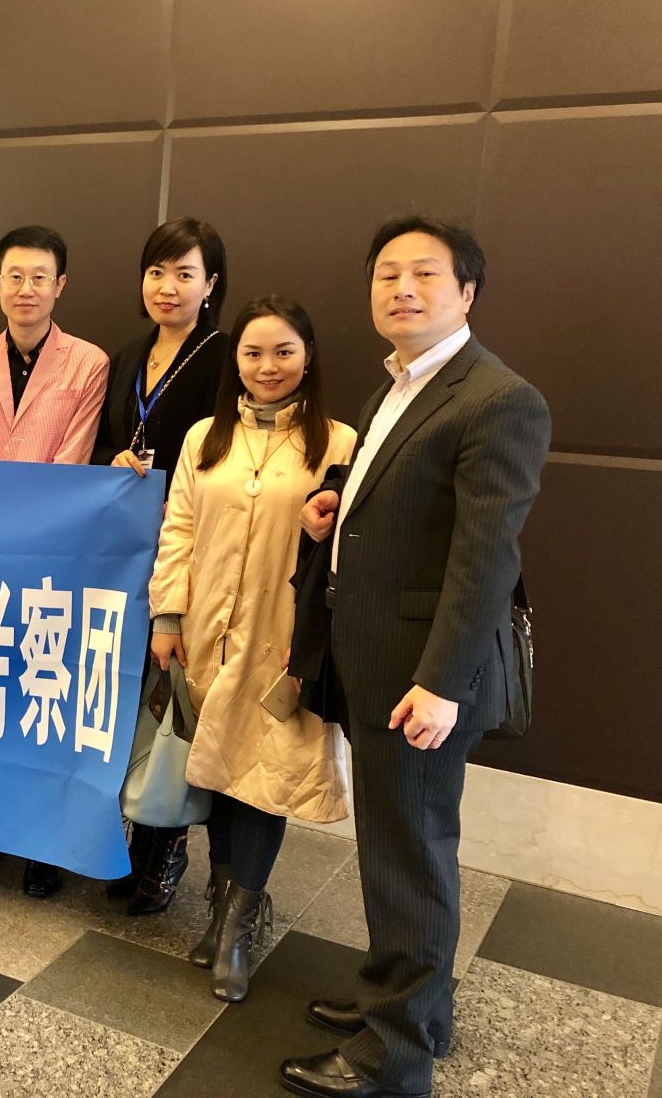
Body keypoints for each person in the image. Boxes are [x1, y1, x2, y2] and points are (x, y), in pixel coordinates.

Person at [281, 217, 550, 1098]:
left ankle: (393, 1060)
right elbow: (395, 503)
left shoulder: (498, 399)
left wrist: (439, 683)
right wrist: (332, 506)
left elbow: (486, 560)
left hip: (421, 676)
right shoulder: (397, 385)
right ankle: (406, 1005)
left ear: (467, 292)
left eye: (425, 273)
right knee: (396, 847)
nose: (401, 287)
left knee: (412, 857)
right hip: (376, 657)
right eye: (387, 273)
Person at [148, 297, 357, 1003]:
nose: (268, 367)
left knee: (265, 774)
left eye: (284, 352)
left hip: (285, 640)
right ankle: (222, 908)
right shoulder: (205, 437)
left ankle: (237, 924)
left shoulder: (339, 443)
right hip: (209, 631)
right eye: (253, 353)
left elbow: (347, 548)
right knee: (216, 768)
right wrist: (168, 616)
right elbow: (178, 528)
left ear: (309, 356)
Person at [0, 224, 109, 899]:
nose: (26, 289)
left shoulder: (88, 363)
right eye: (15, 276)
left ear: (59, 285)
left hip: (50, 560)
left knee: (40, 702)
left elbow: (74, 461)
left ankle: (42, 842)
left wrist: (26, 531)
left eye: (40, 277)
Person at [94, 217, 232, 917]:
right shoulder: (127, 355)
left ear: (211, 284)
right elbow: (101, 443)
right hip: (125, 550)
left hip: (191, 550)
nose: (168, 287)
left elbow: (229, 460)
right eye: (156, 272)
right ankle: (136, 832)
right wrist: (115, 461)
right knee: (130, 698)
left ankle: (166, 845)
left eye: (184, 274)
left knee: (172, 696)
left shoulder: (226, 356)